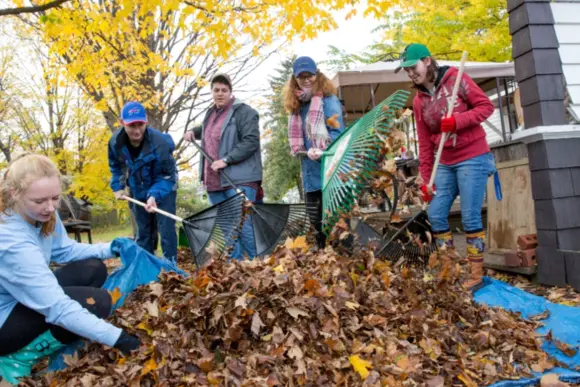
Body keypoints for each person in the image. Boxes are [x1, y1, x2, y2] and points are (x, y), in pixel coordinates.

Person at [0, 154, 140, 384]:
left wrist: (110, 247)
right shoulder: (11, 242)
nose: (49, 208)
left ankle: (58, 334)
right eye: (39, 201)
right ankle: (17, 357)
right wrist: (119, 338)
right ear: (15, 193)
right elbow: (58, 308)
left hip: (20, 297)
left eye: (55, 198)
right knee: (97, 303)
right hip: (3, 321)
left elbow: (64, 250)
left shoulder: (41, 214)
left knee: (93, 268)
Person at [396, 43, 497, 291]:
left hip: (472, 156)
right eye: (406, 70)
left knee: (470, 215)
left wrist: (458, 122)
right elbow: (425, 143)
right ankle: (450, 267)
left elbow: (486, 107)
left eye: (413, 67)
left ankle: (475, 274)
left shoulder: (457, 80)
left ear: (427, 61)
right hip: (445, 161)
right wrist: (426, 180)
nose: (410, 74)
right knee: (436, 213)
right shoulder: (419, 102)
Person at [184, 73, 262, 260]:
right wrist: (194, 131)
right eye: (216, 90)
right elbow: (211, 131)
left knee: (242, 225)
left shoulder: (245, 112)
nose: (220, 94)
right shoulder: (211, 113)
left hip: (239, 179)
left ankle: (259, 267)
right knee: (226, 227)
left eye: (224, 90)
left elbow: (251, 141)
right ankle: (235, 268)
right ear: (211, 92)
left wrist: (227, 159)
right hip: (214, 181)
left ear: (230, 91)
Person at [283, 56, 345, 248]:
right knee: (317, 225)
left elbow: (338, 133)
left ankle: (343, 264)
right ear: (295, 79)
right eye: (301, 77)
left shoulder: (328, 100)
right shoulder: (296, 106)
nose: (306, 79)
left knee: (336, 225)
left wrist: (323, 149)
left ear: (316, 74)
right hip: (309, 174)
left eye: (309, 75)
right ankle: (324, 264)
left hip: (329, 170)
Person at [108, 101, 178, 263]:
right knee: (143, 231)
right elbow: (116, 166)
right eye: (132, 126)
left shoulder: (160, 143)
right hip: (137, 187)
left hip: (164, 187)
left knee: (166, 229)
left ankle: (171, 268)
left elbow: (167, 176)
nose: (137, 130)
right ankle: (147, 267)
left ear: (146, 121)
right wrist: (117, 186)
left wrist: (154, 195)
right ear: (122, 123)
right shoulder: (115, 143)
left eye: (140, 124)